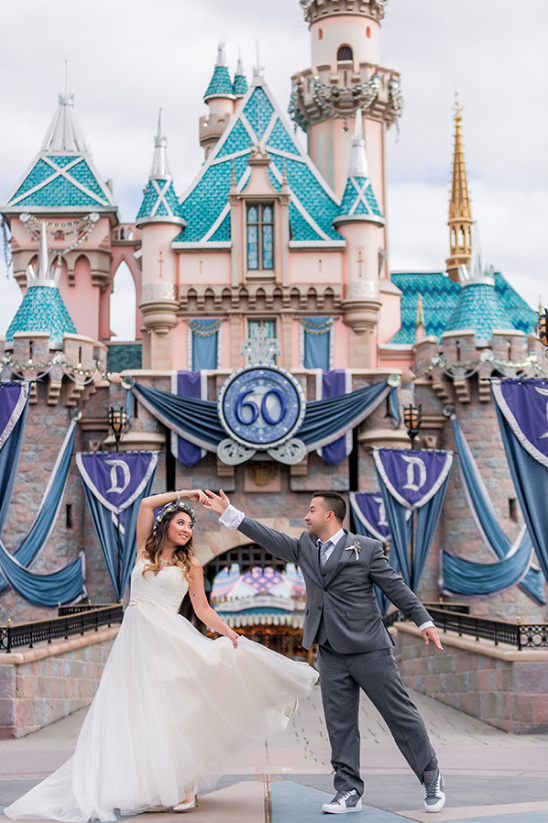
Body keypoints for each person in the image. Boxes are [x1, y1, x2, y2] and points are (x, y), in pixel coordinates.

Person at [5, 489, 318, 822]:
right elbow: (144, 504)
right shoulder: (143, 549)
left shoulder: (192, 566)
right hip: (136, 642)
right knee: (143, 714)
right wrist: (186, 494)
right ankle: (151, 785)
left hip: (170, 640)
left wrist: (230, 634)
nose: (186, 529)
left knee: (176, 711)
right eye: (181, 522)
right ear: (166, 523)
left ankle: (185, 786)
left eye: (190, 526)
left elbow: (203, 609)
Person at [204, 488, 446, 815]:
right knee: (339, 724)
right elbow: (270, 538)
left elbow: (396, 587)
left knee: (399, 715)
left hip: (370, 648)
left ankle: (430, 775)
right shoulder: (305, 546)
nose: (306, 515)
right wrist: (230, 513)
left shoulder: (367, 549)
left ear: (329, 515)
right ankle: (348, 790)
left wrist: (423, 621)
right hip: (330, 649)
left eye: (312, 510)